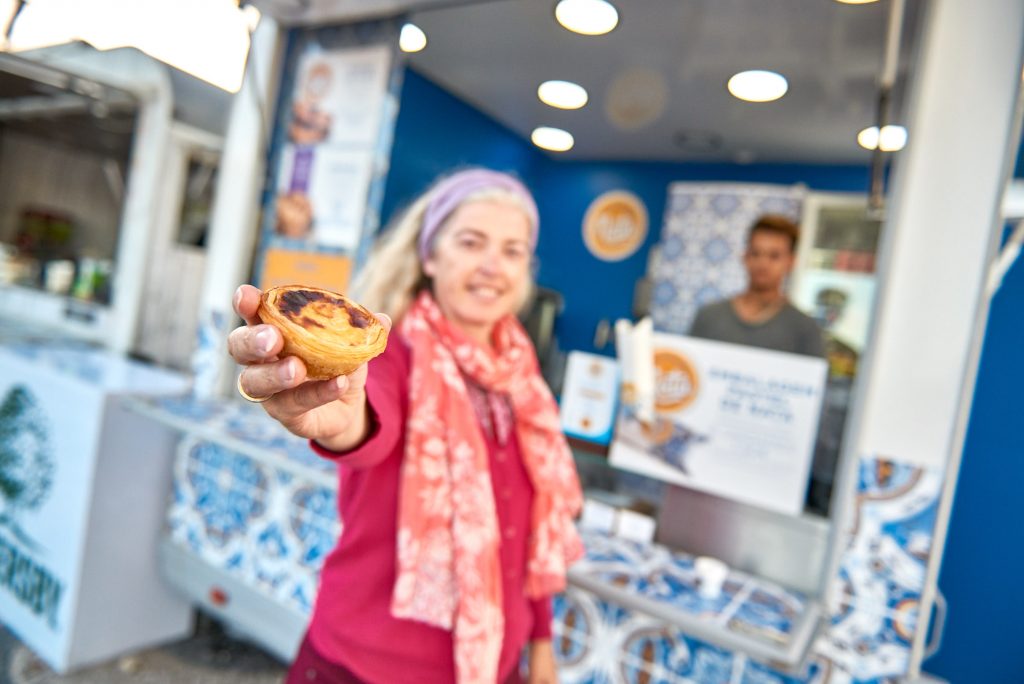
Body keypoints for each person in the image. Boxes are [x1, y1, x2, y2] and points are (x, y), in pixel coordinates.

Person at [228, 168, 583, 684]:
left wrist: (541, 648)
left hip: (494, 669)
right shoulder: (388, 355)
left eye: (512, 250)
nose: (492, 266)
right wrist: (339, 417)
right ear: (430, 256)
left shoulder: (522, 380)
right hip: (362, 667)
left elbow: (530, 531)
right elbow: (368, 425)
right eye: (471, 242)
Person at [688, 214, 825, 358]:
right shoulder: (708, 317)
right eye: (756, 253)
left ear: (791, 262)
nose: (763, 264)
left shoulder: (805, 330)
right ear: (745, 257)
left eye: (774, 256)